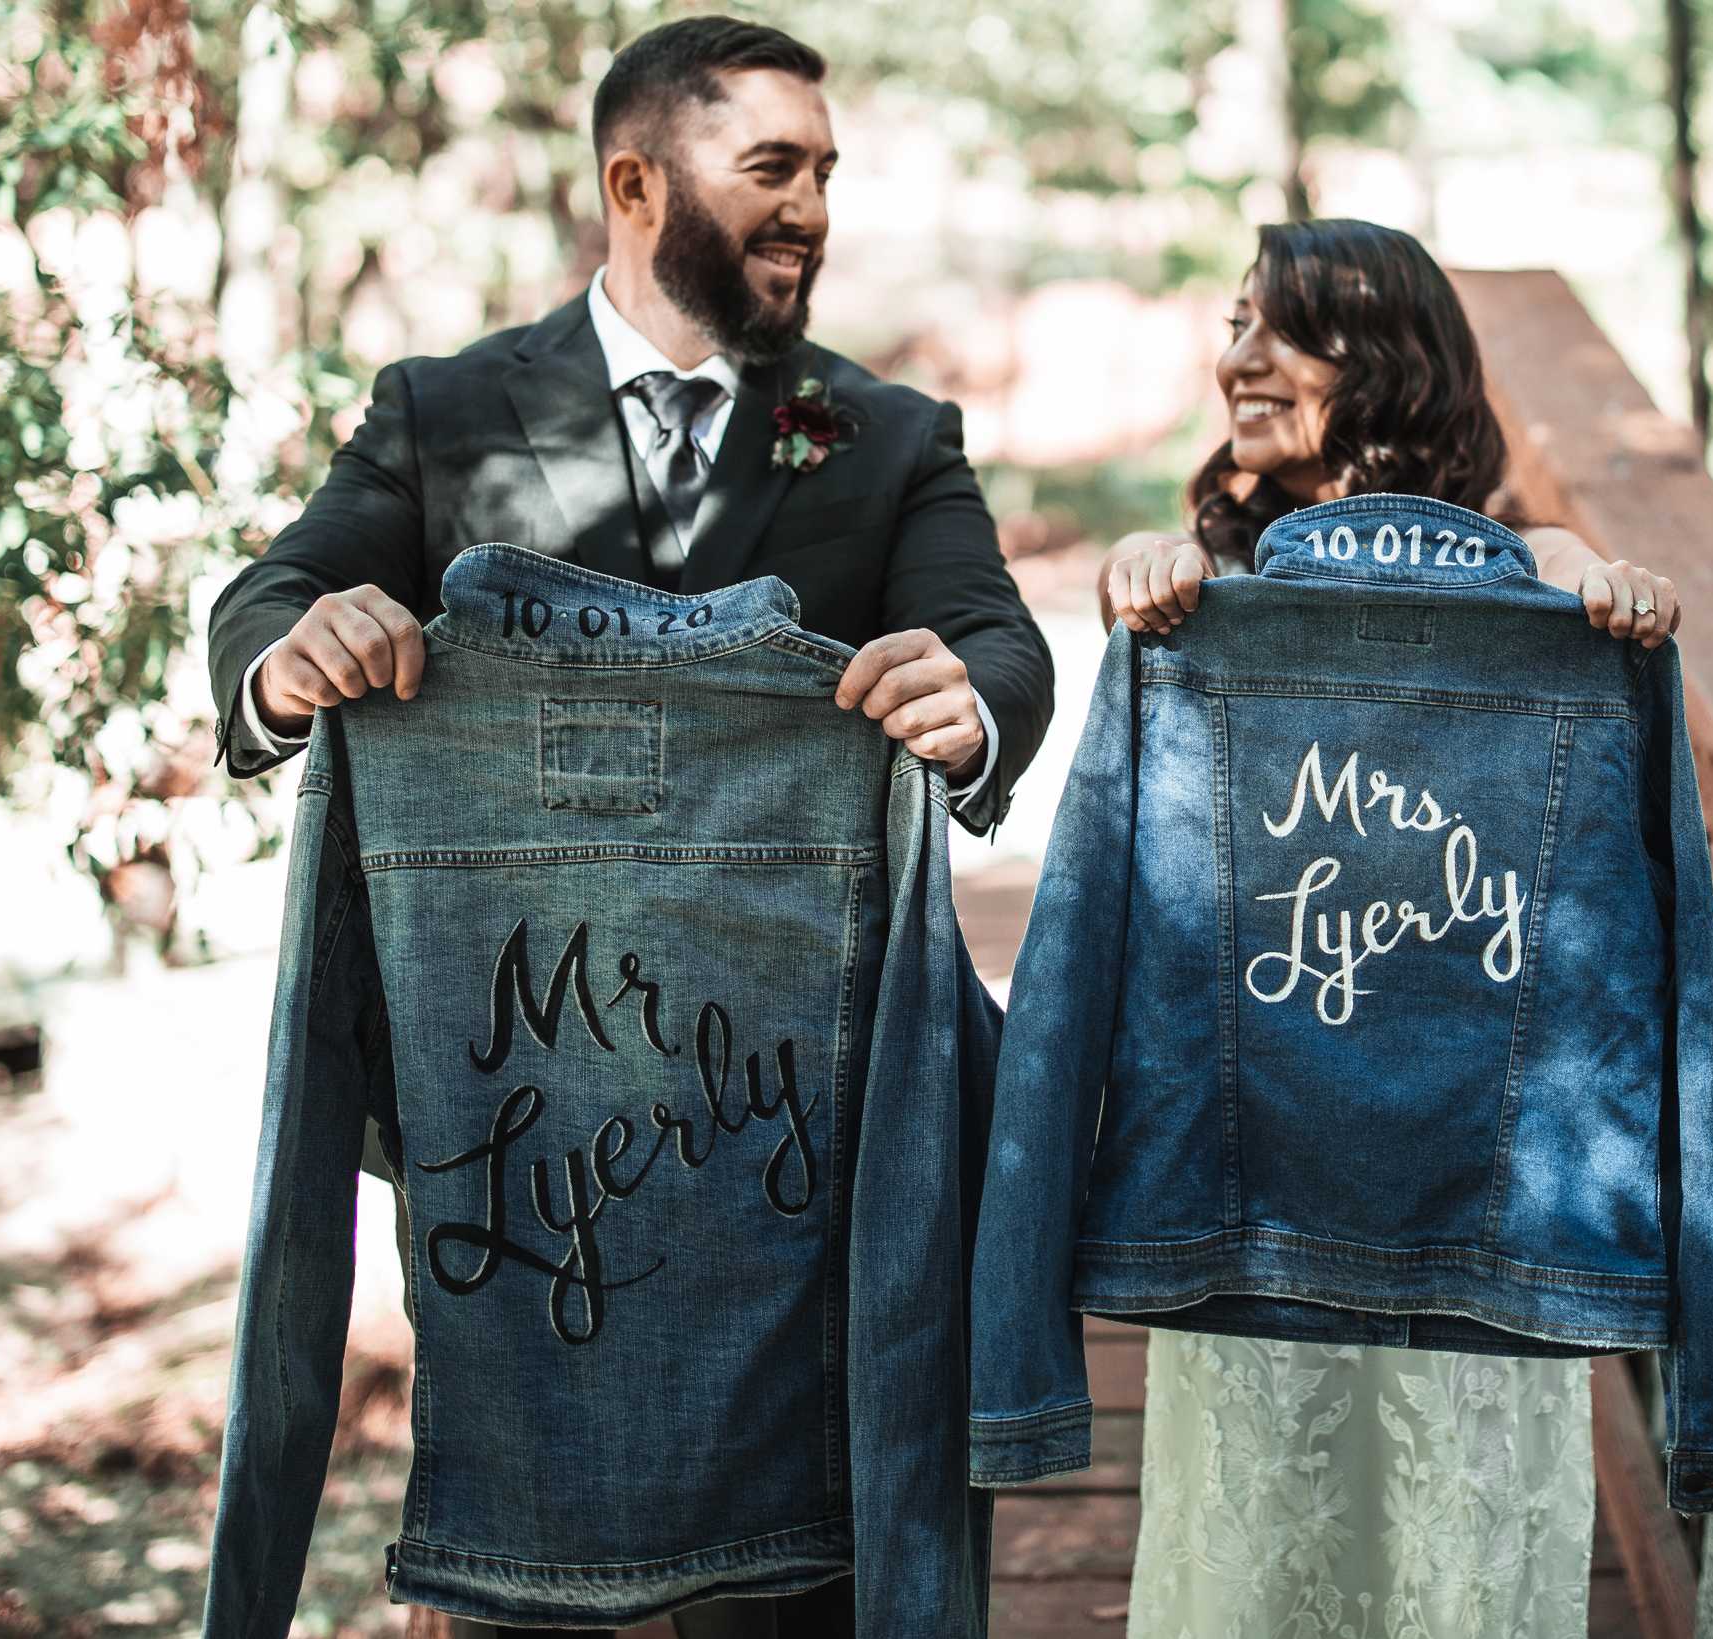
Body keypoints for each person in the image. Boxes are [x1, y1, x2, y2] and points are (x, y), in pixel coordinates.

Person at [204, 17, 1054, 1638]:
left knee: (804, 1576)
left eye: (826, 173)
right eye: (774, 169)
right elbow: (276, 590)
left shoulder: (883, 437)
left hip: (796, 1111)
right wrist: (286, 656)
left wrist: (975, 699)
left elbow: (997, 636)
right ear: (635, 181)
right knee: (529, 1575)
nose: (813, 205)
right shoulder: (446, 410)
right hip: (521, 1107)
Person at [1098, 218, 1681, 1638]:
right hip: (1272, 1150)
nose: (1237, 355)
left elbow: (1579, 607)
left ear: (1388, 360)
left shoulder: (1521, 561)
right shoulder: (1206, 579)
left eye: (1278, 325)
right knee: (1264, 1524)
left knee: (1453, 1535)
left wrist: (1608, 588)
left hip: (1463, 1152)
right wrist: (1143, 567)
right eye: (1233, 322)